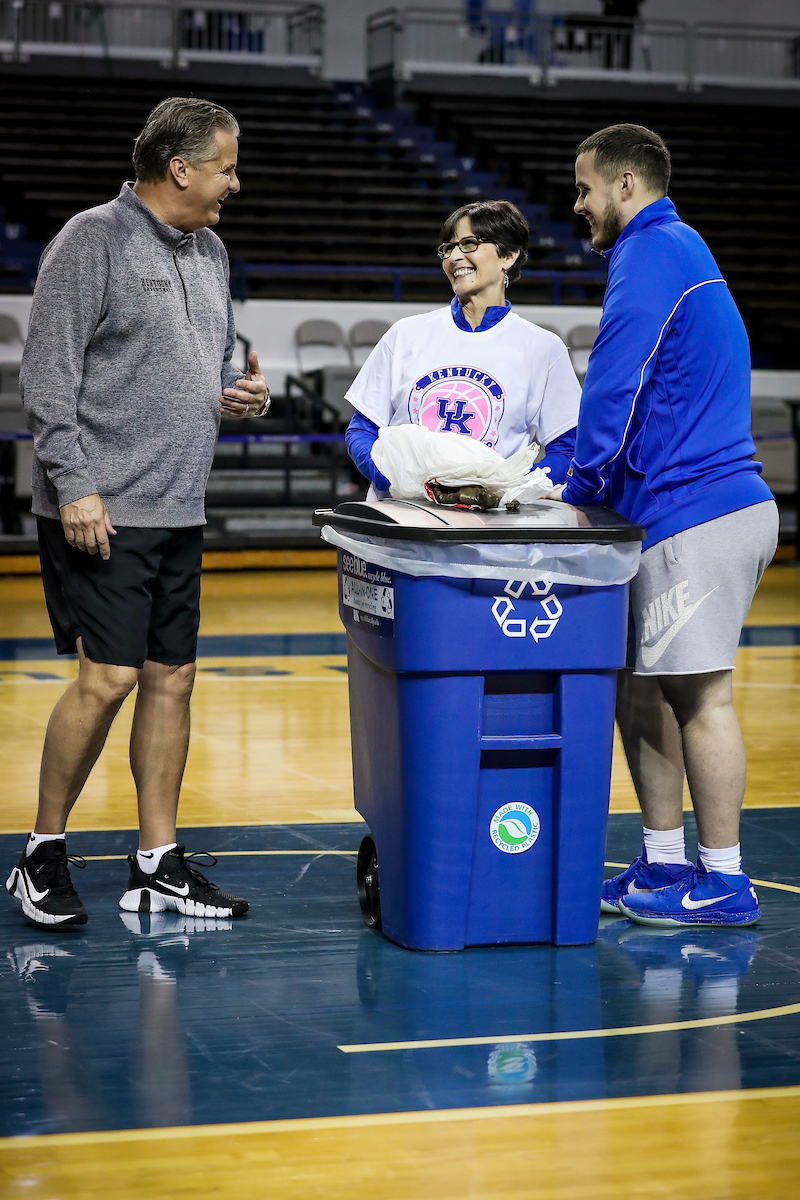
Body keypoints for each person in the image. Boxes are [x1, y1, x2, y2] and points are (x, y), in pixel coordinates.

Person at [5, 97, 270, 929]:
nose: (236, 180)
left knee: (172, 678)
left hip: (177, 502)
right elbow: (46, 376)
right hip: (100, 506)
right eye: (226, 165)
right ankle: (40, 853)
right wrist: (74, 484)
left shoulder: (212, 248)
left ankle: (156, 864)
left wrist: (238, 396)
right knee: (110, 677)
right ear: (179, 167)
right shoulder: (92, 239)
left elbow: (199, 364)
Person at [549, 123, 778, 927]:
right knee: (638, 691)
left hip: (699, 512)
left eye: (584, 189)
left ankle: (724, 881)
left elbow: (616, 385)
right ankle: (662, 864)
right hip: (685, 511)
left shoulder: (652, 252)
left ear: (624, 185)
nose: (576, 205)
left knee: (699, 696)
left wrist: (575, 487)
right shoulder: (673, 251)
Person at [344, 200, 581, 499]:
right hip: (403, 528)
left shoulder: (544, 349)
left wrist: (508, 490)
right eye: (448, 248)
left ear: (508, 255)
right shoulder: (405, 335)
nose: (455, 257)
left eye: (469, 244)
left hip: (490, 536)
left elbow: (566, 447)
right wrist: (394, 479)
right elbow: (361, 430)